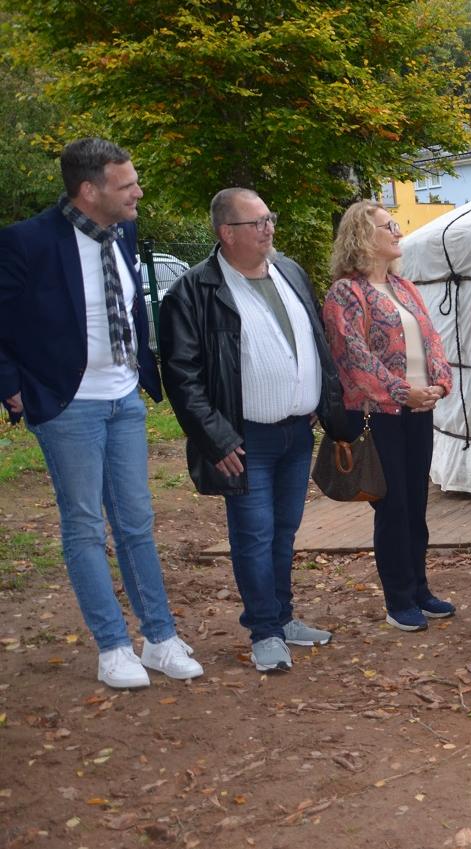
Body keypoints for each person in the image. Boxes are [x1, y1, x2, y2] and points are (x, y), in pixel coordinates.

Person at [0, 137, 202, 688]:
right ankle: (113, 647)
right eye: (127, 184)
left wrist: (140, 373)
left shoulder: (125, 232)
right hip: (67, 405)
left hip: (124, 399)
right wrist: (12, 387)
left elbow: (132, 306)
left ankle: (159, 638)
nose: (138, 192)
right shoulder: (28, 242)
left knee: (136, 523)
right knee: (85, 526)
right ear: (89, 190)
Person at [159, 188, 349, 672]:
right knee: (253, 534)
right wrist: (216, 439)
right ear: (227, 234)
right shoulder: (194, 291)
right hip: (244, 441)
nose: (269, 228)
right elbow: (182, 376)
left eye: (270, 218)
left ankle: (282, 619)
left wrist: (317, 401)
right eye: (257, 222)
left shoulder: (289, 271)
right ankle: (264, 631)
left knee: (284, 531)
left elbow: (316, 342)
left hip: (295, 432)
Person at [323, 201, 455, 631]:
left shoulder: (404, 287)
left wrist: (438, 383)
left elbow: (432, 339)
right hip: (379, 413)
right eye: (388, 226)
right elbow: (352, 358)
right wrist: (404, 391)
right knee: (393, 505)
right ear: (363, 237)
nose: (398, 232)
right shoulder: (346, 293)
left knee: (416, 502)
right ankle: (398, 598)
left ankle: (419, 587)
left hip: (418, 410)